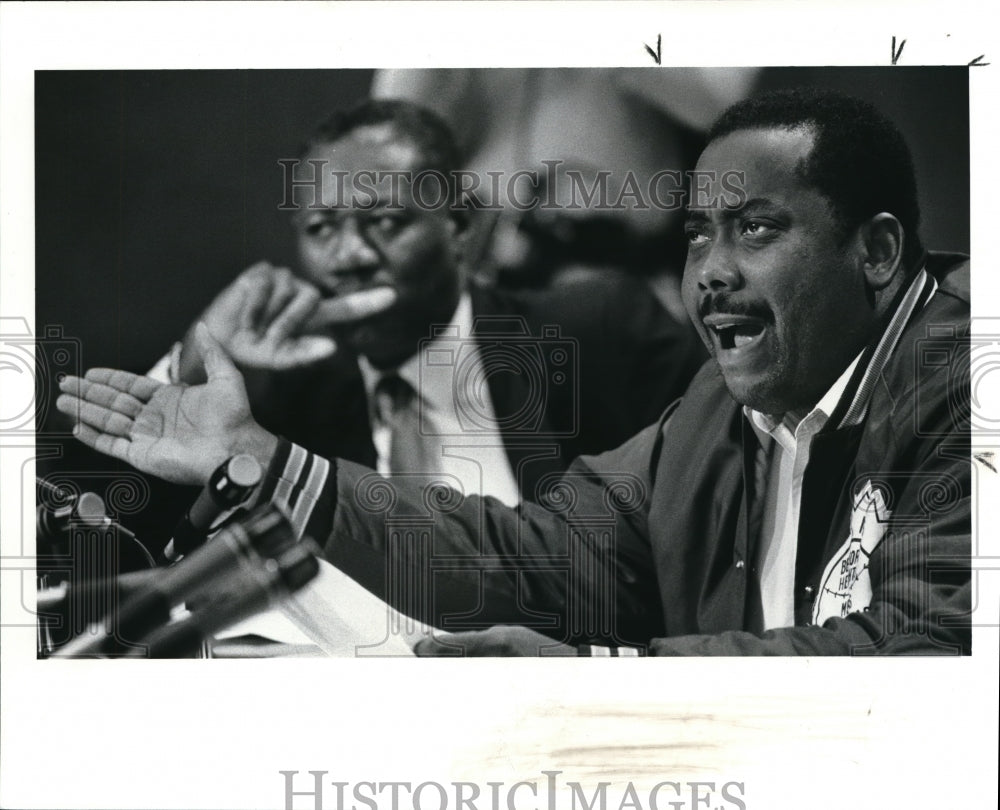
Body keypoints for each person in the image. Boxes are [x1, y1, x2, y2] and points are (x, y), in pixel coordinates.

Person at [58, 88, 971, 655]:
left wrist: (604, 681)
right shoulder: (713, 409)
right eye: (697, 234)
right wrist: (264, 459)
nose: (713, 270)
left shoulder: (965, 382)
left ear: (879, 251)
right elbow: (537, 556)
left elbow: (927, 653)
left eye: (756, 229)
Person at [149, 99, 704, 508]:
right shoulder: (280, 392)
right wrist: (193, 362)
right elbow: (108, 532)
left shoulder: (598, 330)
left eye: (384, 222)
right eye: (320, 228)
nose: (350, 256)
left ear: (459, 223)